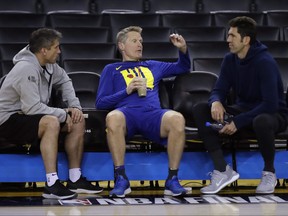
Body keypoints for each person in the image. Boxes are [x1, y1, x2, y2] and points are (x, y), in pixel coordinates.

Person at [0, 28, 103, 200]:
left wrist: (75, 107)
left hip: (24, 117)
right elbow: (31, 109)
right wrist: (63, 113)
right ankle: (51, 183)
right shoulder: (25, 68)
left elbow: (65, 81)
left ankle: (75, 178)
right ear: (44, 50)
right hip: (6, 121)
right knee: (51, 122)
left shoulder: (49, 66)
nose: (60, 51)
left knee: (77, 120)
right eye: (56, 47)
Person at [192, 16, 288, 194]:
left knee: (262, 120)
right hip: (244, 112)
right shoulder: (230, 59)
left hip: (273, 115)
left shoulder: (265, 62)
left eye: (232, 36)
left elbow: (270, 104)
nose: (228, 40)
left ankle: (269, 172)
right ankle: (222, 170)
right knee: (200, 109)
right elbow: (219, 89)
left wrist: (238, 122)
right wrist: (216, 102)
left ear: (246, 40)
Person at [96, 26, 191, 197]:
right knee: (112, 117)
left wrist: (183, 49)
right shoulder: (111, 69)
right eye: (134, 41)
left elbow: (183, 67)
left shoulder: (153, 65)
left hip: (152, 114)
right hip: (126, 114)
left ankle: (172, 179)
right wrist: (127, 90)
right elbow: (101, 103)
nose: (139, 44)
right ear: (121, 46)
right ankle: (121, 178)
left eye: (141, 41)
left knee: (177, 118)